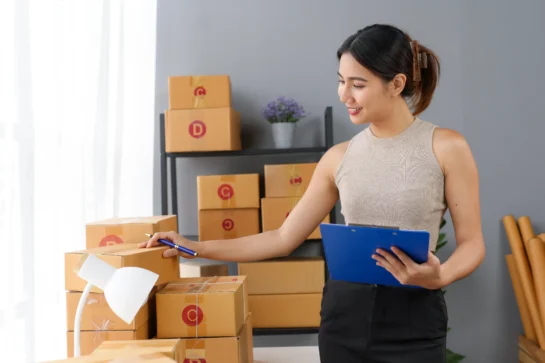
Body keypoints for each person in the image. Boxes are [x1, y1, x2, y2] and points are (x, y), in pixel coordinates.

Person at [140, 23, 485, 363]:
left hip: (415, 317)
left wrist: (442, 275)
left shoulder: (446, 147)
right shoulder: (338, 158)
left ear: (396, 84)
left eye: (358, 84)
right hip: (344, 318)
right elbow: (282, 238)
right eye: (341, 81)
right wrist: (194, 247)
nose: (343, 95)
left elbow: (473, 243)